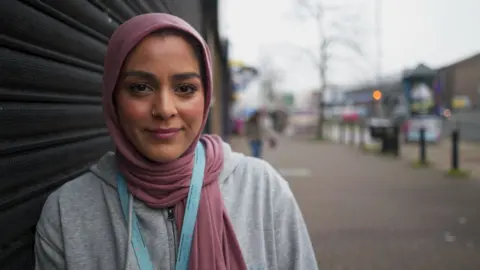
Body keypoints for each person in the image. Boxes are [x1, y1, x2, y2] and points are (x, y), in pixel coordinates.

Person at [34, 13, 317, 270]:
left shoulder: (263, 190)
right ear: (113, 99)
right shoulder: (66, 212)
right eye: (140, 88)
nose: (165, 109)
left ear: (206, 98)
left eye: (185, 88)